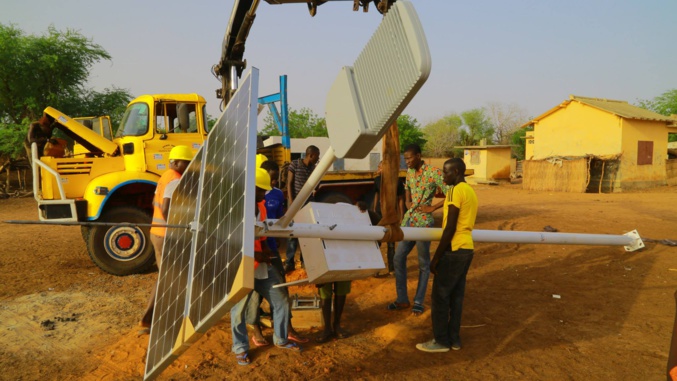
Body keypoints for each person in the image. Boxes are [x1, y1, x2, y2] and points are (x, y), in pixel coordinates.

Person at [230, 167, 302, 366]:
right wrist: (257, 254)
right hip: (242, 266)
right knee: (239, 311)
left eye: (264, 190)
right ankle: (240, 348)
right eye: (260, 190)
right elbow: (230, 243)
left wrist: (266, 253)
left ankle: (281, 339)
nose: (263, 194)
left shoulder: (260, 207)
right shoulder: (235, 208)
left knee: (281, 299)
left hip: (260, 264)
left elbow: (259, 236)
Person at [416, 158, 477, 352]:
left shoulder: (455, 191)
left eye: (446, 172)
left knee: (440, 297)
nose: (443, 176)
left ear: (457, 172)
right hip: (467, 249)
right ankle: (454, 339)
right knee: (456, 297)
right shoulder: (470, 191)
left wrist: (436, 258)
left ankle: (441, 341)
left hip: (454, 249)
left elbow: (450, 227)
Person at [245, 158, 308, 346]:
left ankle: (285, 332)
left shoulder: (272, 197)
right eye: (269, 181)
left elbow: (278, 220)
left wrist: (271, 249)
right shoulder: (244, 203)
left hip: (268, 251)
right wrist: (258, 254)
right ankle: (255, 331)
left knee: (280, 290)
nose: (271, 185)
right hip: (250, 258)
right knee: (252, 297)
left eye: (273, 181)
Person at [387, 144, 448, 316]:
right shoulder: (410, 172)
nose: (406, 162)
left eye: (409, 158)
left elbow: (451, 193)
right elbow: (407, 187)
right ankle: (402, 299)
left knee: (423, 263)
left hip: (423, 224)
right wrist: (407, 202)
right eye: (405, 158)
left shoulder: (433, 172)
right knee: (398, 258)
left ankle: (419, 301)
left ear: (419, 156)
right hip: (409, 221)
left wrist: (433, 208)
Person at [139, 145, 193, 332]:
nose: (188, 167)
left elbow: (158, 204)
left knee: (166, 277)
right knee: (170, 279)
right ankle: (161, 320)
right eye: (186, 163)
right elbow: (166, 209)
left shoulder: (165, 176)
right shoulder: (175, 180)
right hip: (166, 235)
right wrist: (181, 228)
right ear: (176, 162)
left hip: (158, 233)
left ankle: (149, 319)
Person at [284, 145, 320, 272]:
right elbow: (289, 183)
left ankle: (304, 261)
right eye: (317, 156)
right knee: (292, 233)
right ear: (311, 155)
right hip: (295, 204)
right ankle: (289, 262)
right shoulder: (295, 165)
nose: (318, 158)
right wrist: (292, 202)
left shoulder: (313, 168)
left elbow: (316, 184)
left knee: (306, 233)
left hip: (308, 204)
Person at [372, 161, 405, 277]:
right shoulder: (377, 180)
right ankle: (375, 269)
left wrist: (401, 215)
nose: (379, 169)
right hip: (379, 215)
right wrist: (374, 211)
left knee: (391, 243)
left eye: (380, 167)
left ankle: (391, 269)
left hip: (391, 216)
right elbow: (376, 196)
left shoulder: (397, 181)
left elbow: (400, 199)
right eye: (379, 167)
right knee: (377, 242)